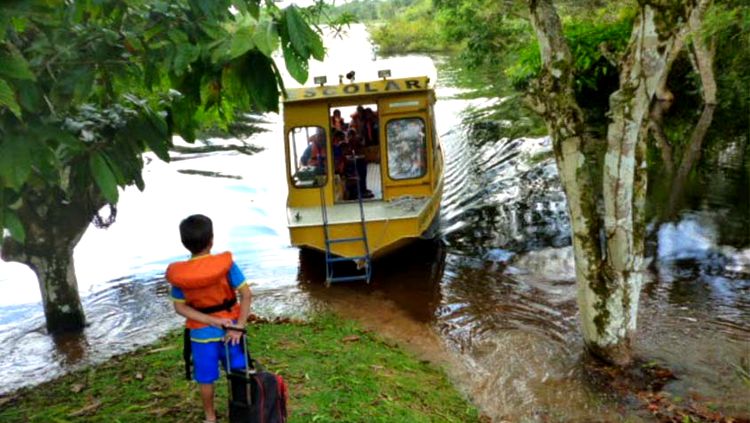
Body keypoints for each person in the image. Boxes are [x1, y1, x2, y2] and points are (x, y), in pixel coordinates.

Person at [165, 214, 252, 423]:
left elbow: (179, 307)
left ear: (184, 243)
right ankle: (242, 413)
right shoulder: (227, 265)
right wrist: (238, 326)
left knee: (206, 379)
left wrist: (209, 320)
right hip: (231, 331)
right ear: (211, 239)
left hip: (200, 334)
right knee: (239, 372)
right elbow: (246, 294)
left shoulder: (180, 276)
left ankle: (210, 417)